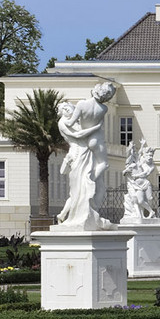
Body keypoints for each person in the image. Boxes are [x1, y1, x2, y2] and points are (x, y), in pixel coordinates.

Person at [56, 81, 118, 229]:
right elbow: (75, 131)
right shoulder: (103, 108)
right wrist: (96, 127)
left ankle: (88, 182)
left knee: (85, 186)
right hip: (92, 140)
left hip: (85, 145)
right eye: (64, 108)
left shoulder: (82, 104)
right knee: (103, 165)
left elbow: (72, 122)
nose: (67, 109)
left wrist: (74, 114)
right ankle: (90, 178)